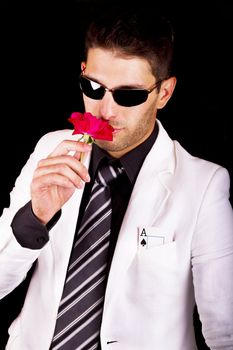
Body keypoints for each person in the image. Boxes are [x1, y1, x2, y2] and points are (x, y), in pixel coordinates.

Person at [0, 6, 233, 350]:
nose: (105, 111)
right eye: (93, 87)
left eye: (129, 95)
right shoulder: (50, 150)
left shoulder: (204, 185)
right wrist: (34, 219)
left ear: (164, 93)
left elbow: (224, 331)